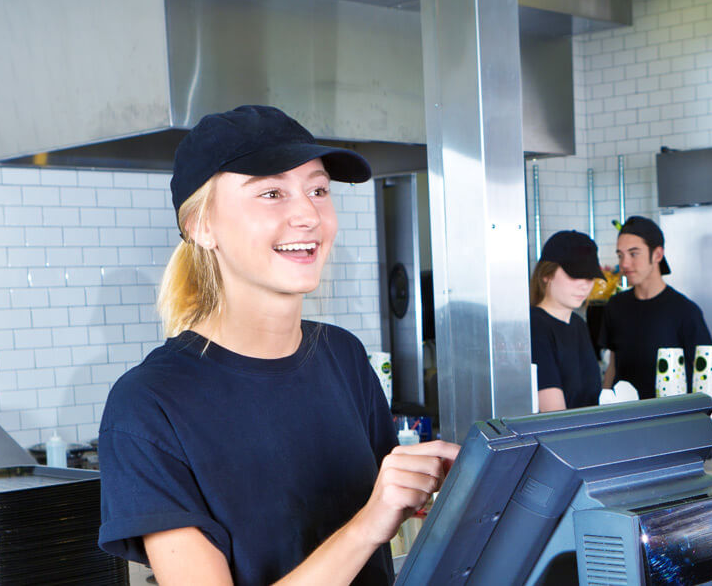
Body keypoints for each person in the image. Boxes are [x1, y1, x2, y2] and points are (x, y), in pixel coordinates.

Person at [98, 105, 459, 585]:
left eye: (317, 190)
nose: (308, 214)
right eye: (271, 192)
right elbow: (372, 521)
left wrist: (450, 484)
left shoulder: (344, 357)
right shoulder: (147, 406)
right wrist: (371, 524)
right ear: (200, 225)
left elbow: (396, 511)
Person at [599, 216, 712, 398]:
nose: (624, 264)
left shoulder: (685, 311)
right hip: (624, 418)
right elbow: (613, 366)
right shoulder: (615, 306)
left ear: (658, 254)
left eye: (634, 253)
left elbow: (706, 376)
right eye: (620, 255)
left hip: (669, 420)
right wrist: (604, 403)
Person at [531, 230, 604, 411]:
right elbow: (554, 417)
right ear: (546, 274)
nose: (584, 285)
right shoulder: (535, 326)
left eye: (589, 276)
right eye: (575, 275)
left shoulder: (578, 324)